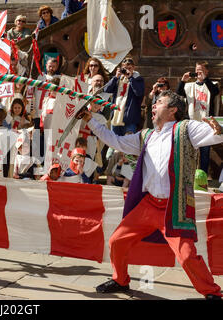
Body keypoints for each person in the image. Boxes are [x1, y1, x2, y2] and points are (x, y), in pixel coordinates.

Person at [82, 90, 223, 299]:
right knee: (117, 241)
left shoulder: (186, 129)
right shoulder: (145, 135)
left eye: (159, 102)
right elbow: (116, 141)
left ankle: (212, 293)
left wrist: (219, 130)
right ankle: (120, 280)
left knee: (186, 256)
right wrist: (90, 121)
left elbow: (215, 132)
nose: (154, 105)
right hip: (148, 205)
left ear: (173, 110)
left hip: (174, 206)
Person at [177, 61, 220, 175]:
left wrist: (205, 79)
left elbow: (215, 92)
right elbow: (179, 94)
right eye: (196, 70)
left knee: (205, 152)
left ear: (206, 71)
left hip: (206, 123)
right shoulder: (190, 86)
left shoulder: (212, 84)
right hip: (192, 122)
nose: (198, 72)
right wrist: (183, 80)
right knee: (190, 152)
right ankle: (189, 175)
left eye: (201, 70)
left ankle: (203, 178)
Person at [104, 57, 145, 136]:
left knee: (128, 143)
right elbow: (106, 89)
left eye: (129, 68)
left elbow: (139, 93)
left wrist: (130, 78)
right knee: (114, 144)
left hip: (129, 118)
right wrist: (115, 77)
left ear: (134, 68)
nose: (127, 70)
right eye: (125, 68)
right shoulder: (118, 79)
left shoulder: (138, 79)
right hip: (116, 116)